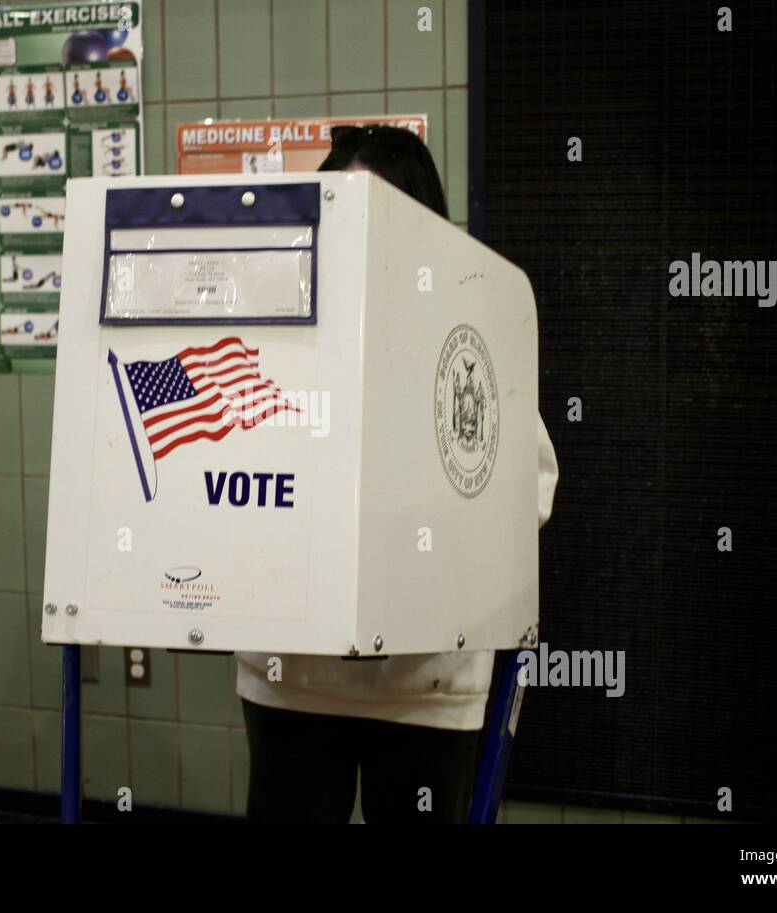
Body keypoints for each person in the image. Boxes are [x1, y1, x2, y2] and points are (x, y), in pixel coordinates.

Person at [235, 125, 560, 823]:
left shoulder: (467, 325)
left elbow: (530, 487)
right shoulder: (276, 332)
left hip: (426, 683)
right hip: (293, 676)